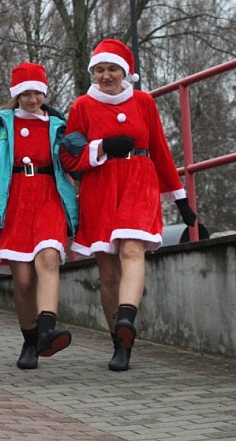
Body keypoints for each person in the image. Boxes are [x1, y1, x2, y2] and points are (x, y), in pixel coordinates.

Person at [61, 39, 195, 372]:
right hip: (101, 187)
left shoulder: (144, 102)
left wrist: (180, 199)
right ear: (93, 72)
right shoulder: (82, 105)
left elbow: (161, 150)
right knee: (108, 273)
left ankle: (127, 318)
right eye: (100, 70)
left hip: (139, 180)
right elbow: (69, 158)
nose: (106, 76)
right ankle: (119, 343)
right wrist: (102, 146)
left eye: (113, 69)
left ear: (126, 72)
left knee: (133, 251)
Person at [0, 62, 79, 369]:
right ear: (16, 94)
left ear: (44, 92)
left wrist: (80, 149)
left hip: (49, 195)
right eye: (25, 93)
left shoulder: (57, 124)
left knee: (49, 258)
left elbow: (70, 161)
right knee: (23, 280)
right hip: (13, 198)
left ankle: (49, 328)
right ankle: (30, 338)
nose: (32, 99)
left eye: (37, 92)